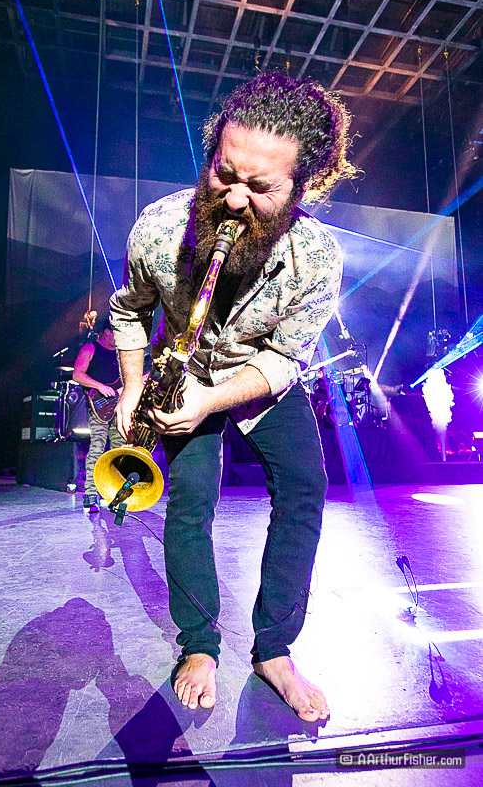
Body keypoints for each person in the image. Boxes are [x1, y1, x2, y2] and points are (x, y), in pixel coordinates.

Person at [110, 72, 356, 720]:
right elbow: (130, 310)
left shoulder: (318, 258)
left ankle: (274, 650)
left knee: (304, 490)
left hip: (256, 378)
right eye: (224, 174)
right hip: (180, 369)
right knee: (191, 501)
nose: (235, 200)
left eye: (261, 187)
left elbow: (284, 359)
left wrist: (213, 398)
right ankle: (198, 645)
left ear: (305, 186)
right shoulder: (159, 228)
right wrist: (132, 387)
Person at [73, 320, 123, 511]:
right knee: (97, 447)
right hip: (98, 407)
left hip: (118, 407)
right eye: (115, 332)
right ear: (106, 332)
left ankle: (113, 493)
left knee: (118, 450)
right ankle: (91, 493)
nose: (117, 337)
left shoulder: (120, 352)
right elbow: (77, 375)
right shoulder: (90, 348)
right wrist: (100, 386)